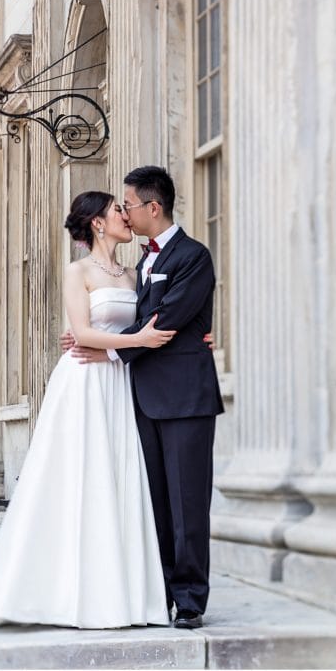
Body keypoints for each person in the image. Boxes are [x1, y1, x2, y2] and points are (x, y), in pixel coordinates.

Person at [0, 191, 173, 629]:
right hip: (83, 383)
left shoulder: (135, 275)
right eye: (118, 210)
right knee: (81, 479)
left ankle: (124, 594)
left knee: (119, 481)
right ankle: (70, 591)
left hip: (119, 383)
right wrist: (135, 342)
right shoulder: (78, 272)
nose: (125, 216)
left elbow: (142, 323)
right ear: (97, 222)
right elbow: (82, 332)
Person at [67, 166, 224, 630]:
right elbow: (132, 319)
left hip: (185, 397)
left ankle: (191, 599)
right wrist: (88, 335)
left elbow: (167, 318)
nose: (125, 213)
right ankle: (163, 594)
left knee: (188, 501)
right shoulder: (139, 264)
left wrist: (108, 352)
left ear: (153, 207)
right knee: (154, 501)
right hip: (141, 398)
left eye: (129, 204)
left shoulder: (194, 256)